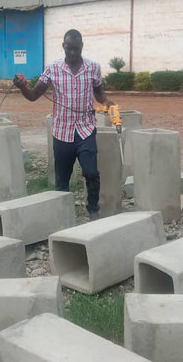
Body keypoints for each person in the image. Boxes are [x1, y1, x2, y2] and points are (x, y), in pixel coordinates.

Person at [14, 29, 115, 221]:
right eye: (69, 49)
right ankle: (61, 215)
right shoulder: (53, 69)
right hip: (62, 133)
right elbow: (34, 95)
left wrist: (106, 101)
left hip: (86, 129)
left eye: (76, 49)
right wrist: (22, 87)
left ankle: (93, 210)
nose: (73, 53)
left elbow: (98, 92)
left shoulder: (93, 68)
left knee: (91, 172)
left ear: (82, 47)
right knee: (62, 180)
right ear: (63, 47)